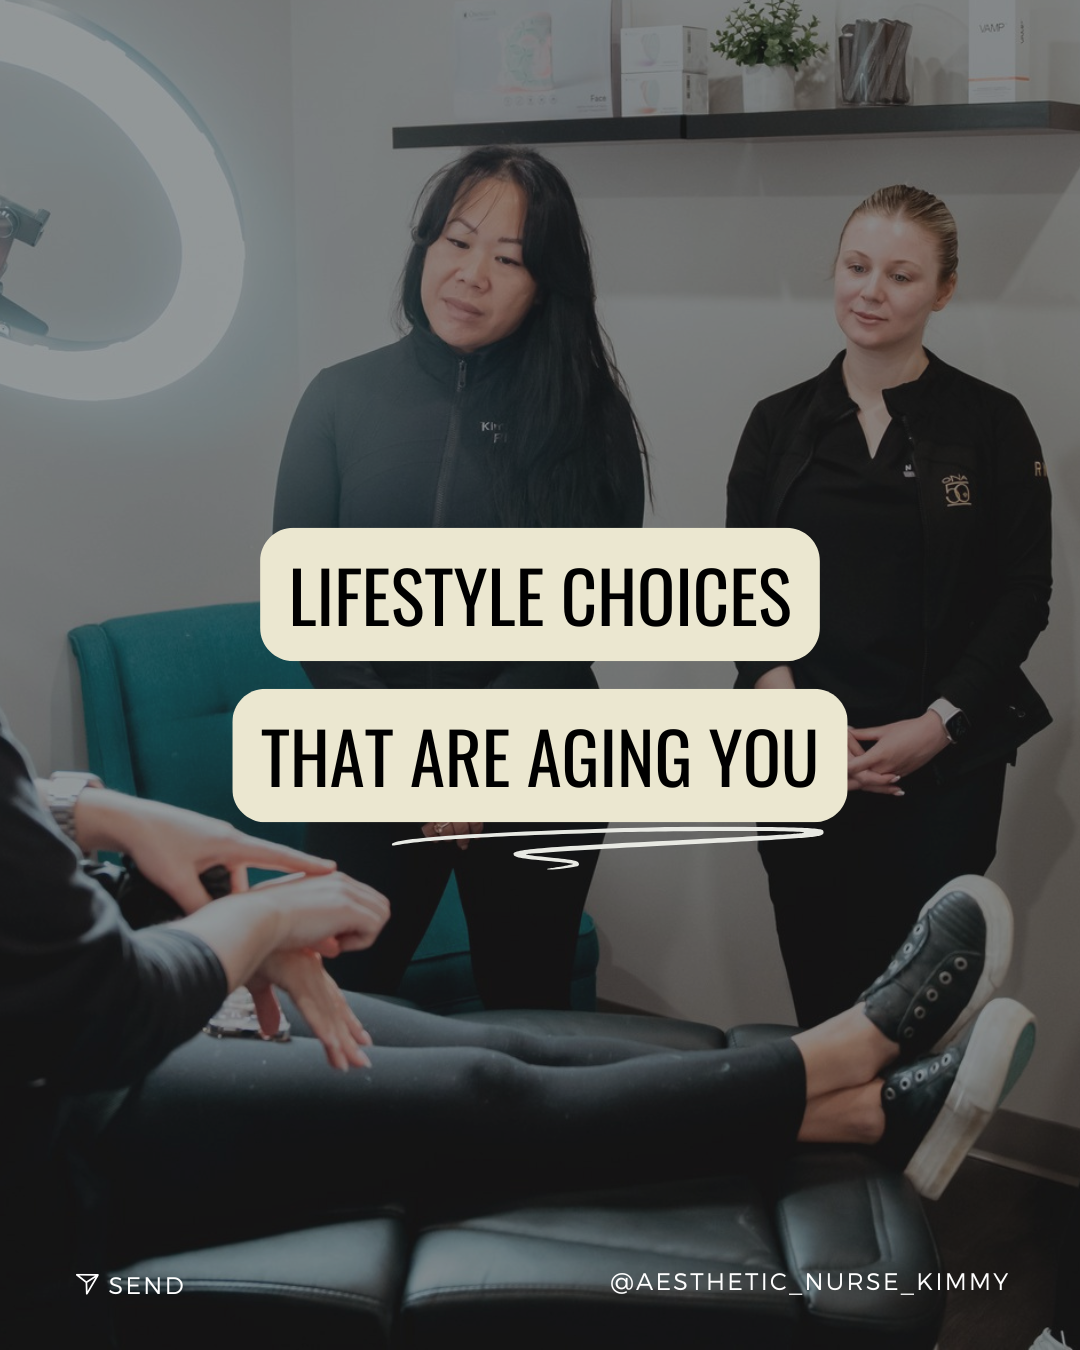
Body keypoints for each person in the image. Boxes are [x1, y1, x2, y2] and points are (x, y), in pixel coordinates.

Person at [2, 708, 1034, 1341]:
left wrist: (84, 811)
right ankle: (849, 1055)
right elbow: (99, 1013)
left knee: (488, 1042)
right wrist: (258, 917)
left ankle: (856, 1117)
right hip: (62, 1128)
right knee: (478, 1096)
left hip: (84, 1036)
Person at [273, 145, 649, 1010]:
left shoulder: (590, 416)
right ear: (425, 251)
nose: (472, 274)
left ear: (546, 284)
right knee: (337, 1005)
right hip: (368, 757)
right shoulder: (340, 398)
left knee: (529, 1014)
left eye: (509, 259)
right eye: (457, 241)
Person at [726, 184, 1052, 1028]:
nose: (871, 291)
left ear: (942, 291)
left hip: (941, 765)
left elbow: (1025, 591)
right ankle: (829, 1159)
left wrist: (940, 722)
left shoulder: (990, 424)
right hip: (801, 756)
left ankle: (910, 1159)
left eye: (901, 275)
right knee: (824, 999)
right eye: (856, 267)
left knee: (915, 1013)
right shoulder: (778, 424)